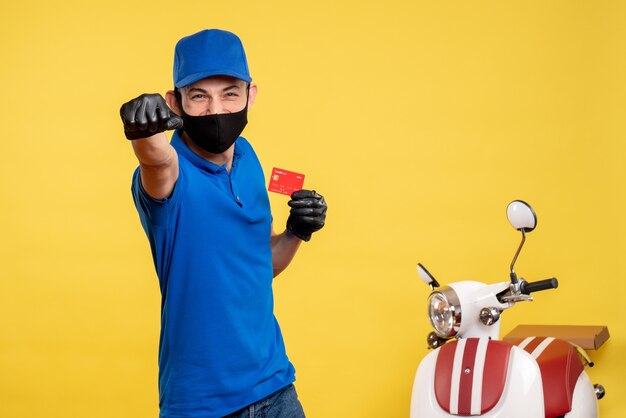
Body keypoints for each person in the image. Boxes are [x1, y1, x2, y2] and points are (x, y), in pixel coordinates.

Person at [119, 29, 327, 418]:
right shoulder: (172, 175)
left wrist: (297, 233)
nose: (216, 109)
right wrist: (143, 133)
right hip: (202, 404)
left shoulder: (248, 158)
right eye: (199, 96)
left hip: (276, 386)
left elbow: (261, 265)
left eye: (229, 92)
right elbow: (156, 161)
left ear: (251, 96)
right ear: (174, 103)